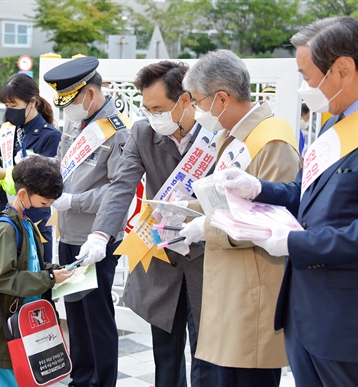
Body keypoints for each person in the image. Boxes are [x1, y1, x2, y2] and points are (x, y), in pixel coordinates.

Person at [213, 16, 358, 386]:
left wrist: (292, 242)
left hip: (346, 323)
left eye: (309, 77)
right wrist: (259, 189)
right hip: (304, 314)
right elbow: (305, 193)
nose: (306, 87)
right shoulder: (334, 124)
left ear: (343, 69)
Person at [79, 61, 218, 387]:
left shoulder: (216, 134)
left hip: (206, 261)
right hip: (162, 258)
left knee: (207, 359)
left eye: (159, 108)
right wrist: (100, 234)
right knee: (166, 360)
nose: (152, 115)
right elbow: (121, 187)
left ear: (186, 100)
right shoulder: (143, 133)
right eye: (147, 108)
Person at [180, 49, 302, 387]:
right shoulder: (232, 136)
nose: (198, 110)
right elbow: (224, 202)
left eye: (199, 102)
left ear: (222, 97)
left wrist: (203, 226)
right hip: (229, 283)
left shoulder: (271, 139)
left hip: (254, 289)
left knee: (249, 378)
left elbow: (269, 222)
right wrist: (184, 210)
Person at [43, 56, 131, 387]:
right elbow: (65, 164)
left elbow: (118, 191)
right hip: (68, 233)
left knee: (97, 316)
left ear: (91, 94)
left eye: (73, 100)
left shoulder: (116, 132)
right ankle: (81, 378)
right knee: (75, 314)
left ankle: (102, 381)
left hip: (98, 238)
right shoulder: (75, 123)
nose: (68, 109)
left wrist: (74, 201)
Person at [0, 155, 74, 386]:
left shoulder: (25, 223)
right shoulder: (6, 229)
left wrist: (58, 270)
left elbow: (32, 265)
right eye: (43, 203)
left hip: (26, 319)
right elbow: (2, 278)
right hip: (8, 324)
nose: (46, 209)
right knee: (15, 380)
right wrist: (48, 277)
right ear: (22, 194)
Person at [0, 73, 62, 263]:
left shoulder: (50, 136)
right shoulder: (4, 132)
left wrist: (5, 174)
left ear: (32, 102)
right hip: (1, 217)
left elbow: (47, 183)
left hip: (32, 220)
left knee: (34, 278)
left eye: (14, 106)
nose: (10, 111)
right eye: (6, 106)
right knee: (0, 278)